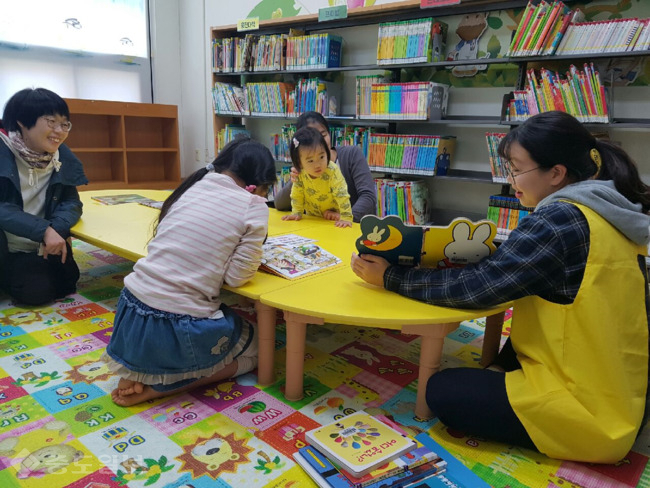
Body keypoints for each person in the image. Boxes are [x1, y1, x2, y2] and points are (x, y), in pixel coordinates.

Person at [351, 110, 650, 464]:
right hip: (621, 387)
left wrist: (390, 277)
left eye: (516, 169)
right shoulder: (607, 207)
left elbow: (477, 289)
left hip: (590, 413)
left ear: (556, 173)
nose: (511, 180)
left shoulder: (560, 218)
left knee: (441, 390)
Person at [103, 137, 277, 407]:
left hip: (130, 312)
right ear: (259, 186)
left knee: (222, 322)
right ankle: (159, 388)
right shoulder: (253, 205)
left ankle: (138, 370)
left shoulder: (194, 186)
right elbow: (236, 277)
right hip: (176, 324)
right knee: (259, 350)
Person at [0, 88, 88, 306]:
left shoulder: (60, 154)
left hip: (43, 243)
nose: (59, 131)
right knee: (36, 292)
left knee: (68, 282)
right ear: (22, 121)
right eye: (51, 122)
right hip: (8, 245)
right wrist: (43, 230)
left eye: (64, 124)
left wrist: (56, 229)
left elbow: (71, 201)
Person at [273, 111, 376, 222]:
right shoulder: (305, 166)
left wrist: (345, 217)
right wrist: (295, 179)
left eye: (323, 135)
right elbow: (279, 204)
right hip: (317, 227)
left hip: (348, 227)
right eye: (312, 139)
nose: (318, 142)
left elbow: (368, 196)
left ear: (329, 133)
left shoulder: (351, 154)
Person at [281, 126, 353, 228]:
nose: (318, 164)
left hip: (334, 218)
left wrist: (346, 217)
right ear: (299, 162)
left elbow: (342, 194)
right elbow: (297, 194)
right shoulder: (300, 172)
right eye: (310, 161)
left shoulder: (332, 170)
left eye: (322, 157)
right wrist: (296, 212)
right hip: (313, 219)